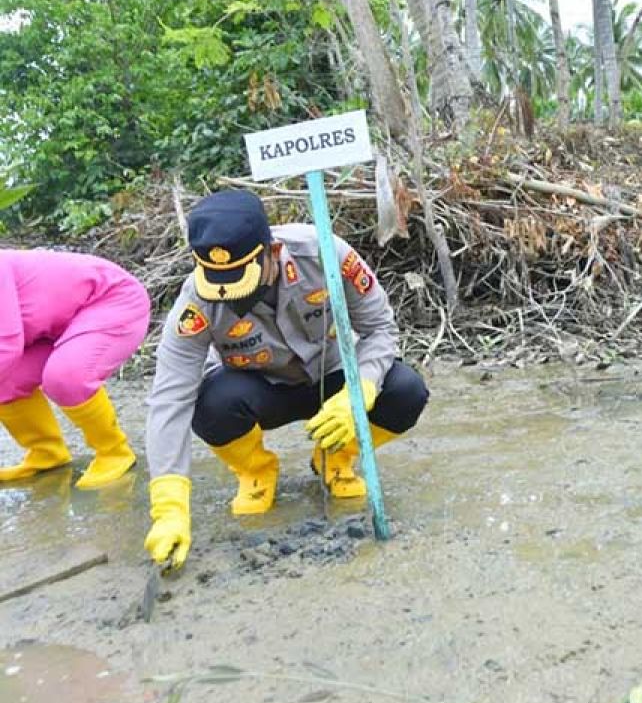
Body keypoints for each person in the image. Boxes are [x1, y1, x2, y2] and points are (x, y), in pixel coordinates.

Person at [142, 190, 429, 569]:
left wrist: (359, 393)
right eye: (219, 283)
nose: (230, 296)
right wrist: (168, 506)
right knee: (211, 406)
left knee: (405, 391)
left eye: (242, 280)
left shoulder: (326, 254)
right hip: (261, 389)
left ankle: (335, 457)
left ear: (272, 252)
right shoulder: (196, 302)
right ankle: (256, 471)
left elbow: (380, 329)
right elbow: (169, 397)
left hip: (333, 380)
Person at [0, 249, 150, 488]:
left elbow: (5, 344)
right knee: (6, 383)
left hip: (111, 301)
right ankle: (47, 454)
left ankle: (114, 452)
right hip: (52, 326)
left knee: (65, 377)